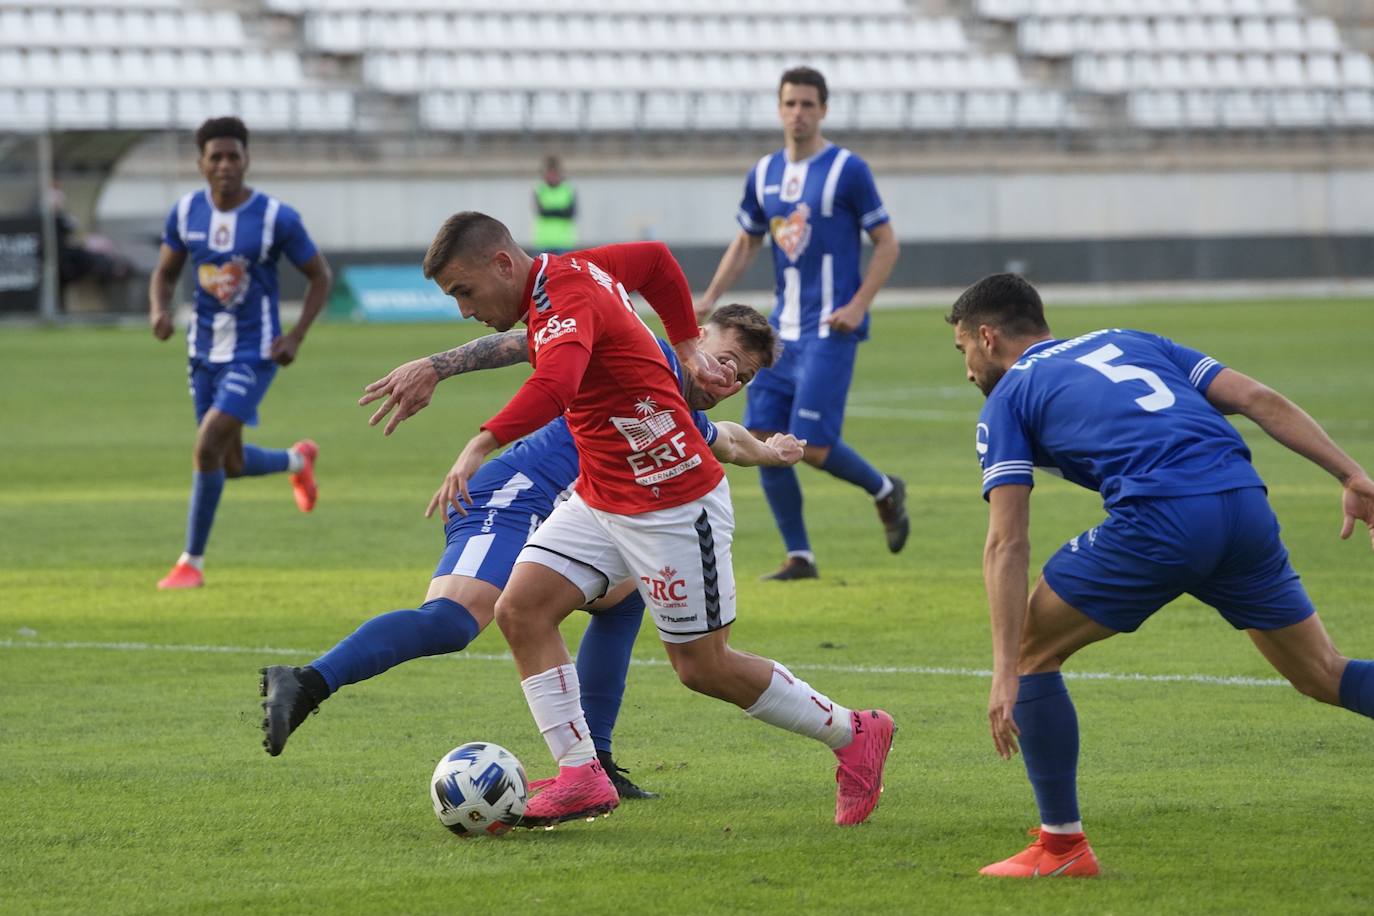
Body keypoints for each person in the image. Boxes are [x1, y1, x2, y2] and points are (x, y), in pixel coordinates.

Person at [422, 211, 895, 829]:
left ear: (502, 264)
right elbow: (652, 258)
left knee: (703, 667)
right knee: (521, 609)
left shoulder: (565, 299)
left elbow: (557, 382)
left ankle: (854, 732)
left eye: (464, 290)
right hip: (602, 497)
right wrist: (687, 339)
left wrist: (480, 443)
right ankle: (581, 776)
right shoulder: (568, 274)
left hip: (675, 506)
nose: (464, 309)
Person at [259, 305, 789, 803]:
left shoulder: (672, 408)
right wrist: (436, 366)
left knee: (623, 599)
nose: (727, 381)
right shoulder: (641, 352)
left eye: (742, 378)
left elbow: (730, 442)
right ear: (694, 338)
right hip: (515, 496)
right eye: (723, 360)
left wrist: (771, 450)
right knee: (452, 621)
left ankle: (595, 762)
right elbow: (534, 340)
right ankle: (305, 681)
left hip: (569, 522)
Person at [949, 273, 1374, 878]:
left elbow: (1007, 542)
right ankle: (1059, 845)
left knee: (1029, 650)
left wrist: (1003, 672)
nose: (967, 369)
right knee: (1323, 673)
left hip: (1163, 516)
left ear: (987, 337)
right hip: (1244, 503)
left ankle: (1062, 849)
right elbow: (1260, 400)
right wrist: (1351, 474)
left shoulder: (1008, 397)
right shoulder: (1132, 338)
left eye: (963, 349)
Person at [695, 66, 906, 581]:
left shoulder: (847, 170)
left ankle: (883, 488)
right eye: (790, 103)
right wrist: (710, 299)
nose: (799, 113)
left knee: (811, 444)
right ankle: (800, 556)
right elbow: (747, 241)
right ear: (779, 107)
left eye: (808, 104)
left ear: (824, 110)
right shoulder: (764, 172)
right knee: (764, 436)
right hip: (779, 334)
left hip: (830, 329)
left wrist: (857, 305)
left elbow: (886, 242)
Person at [149, 116, 332, 590]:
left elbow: (320, 276)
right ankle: (297, 461)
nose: (226, 165)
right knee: (226, 462)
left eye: (234, 156)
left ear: (247, 160)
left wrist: (295, 337)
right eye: (216, 157)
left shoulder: (276, 217)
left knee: (207, 444)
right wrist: (159, 310)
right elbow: (166, 272)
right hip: (203, 351)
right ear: (201, 164)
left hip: (255, 351)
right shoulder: (186, 212)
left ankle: (191, 562)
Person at [532, 156, 577, 255]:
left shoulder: (568, 190)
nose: (552, 176)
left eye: (555, 173)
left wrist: (550, 210)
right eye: (550, 173)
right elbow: (541, 212)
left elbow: (571, 213)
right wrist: (560, 210)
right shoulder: (540, 189)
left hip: (563, 242)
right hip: (543, 241)